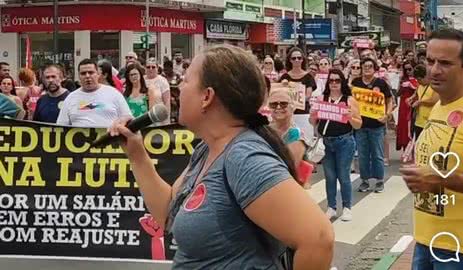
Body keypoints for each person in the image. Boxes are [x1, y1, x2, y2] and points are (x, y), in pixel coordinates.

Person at [107, 45, 334, 269]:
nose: (179, 89)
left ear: (207, 96)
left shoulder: (244, 157)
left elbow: (318, 240)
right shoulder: (207, 149)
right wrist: (136, 154)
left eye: (186, 80)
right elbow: (168, 213)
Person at [400, 28, 463, 270]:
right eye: (430, 60)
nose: (434, 70)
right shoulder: (439, 106)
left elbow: (440, 176)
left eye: (445, 63)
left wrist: (441, 179)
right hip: (427, 239)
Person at [310, 69, 362, 221]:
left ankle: (347, 207)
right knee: (330, 177)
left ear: (342, 82)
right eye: (331, 81)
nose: (334, 84)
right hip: (326, 142)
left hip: (344, 141)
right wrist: (313, 114)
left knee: (343, 175)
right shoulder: (322, 98)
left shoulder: (349, 100)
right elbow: (313, 122)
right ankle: (331, 207)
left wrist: (350, 117)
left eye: (337, 80)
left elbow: (359, 125)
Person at [352, 58, 394, 193]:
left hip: (377, 125)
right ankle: (364, 180)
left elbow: (389, 100)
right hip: (360, 125)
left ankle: (379, 180)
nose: (367, 68)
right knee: (362, 154)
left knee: (377, 154)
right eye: (365, 66)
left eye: (370, 66)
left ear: (374, 68)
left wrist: (387, 115)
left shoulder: (381, 83)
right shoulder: (356, 83)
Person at [57, 59, 132, 127]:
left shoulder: (114, 94)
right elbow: (60, 127)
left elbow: (128, 118)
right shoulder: (70, 98)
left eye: (91, 72)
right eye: (83, 73)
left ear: (98, 74)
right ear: (79, 76)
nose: (87, 76)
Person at [268, 88, 307, 172]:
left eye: (283, 104)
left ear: (292, 107)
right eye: (273, 104)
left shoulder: (295, 134)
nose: (278, 107)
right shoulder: (264, 131)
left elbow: (291, 168)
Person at [407, 64, 439, 139]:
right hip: (418, 120)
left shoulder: (435, 86)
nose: (418, 81)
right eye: (417, 80)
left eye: (420, 79)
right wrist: (411, 98)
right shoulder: (420, 85)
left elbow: (434, 100)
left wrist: (420, 102)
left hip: (430, 121)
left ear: (426, 76)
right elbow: (417, 93)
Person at [396, 61, 418, 151]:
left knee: (411, 125)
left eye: (410, 69)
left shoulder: (417, 79)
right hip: (403, 104)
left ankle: (412, 148)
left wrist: (412, 85)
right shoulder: (403, 79)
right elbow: (398, 93)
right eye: (406, 69)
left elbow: (420, 90)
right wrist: (400, 84)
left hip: (413, 103)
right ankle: (405, 148)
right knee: (403, 125)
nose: (408, 71)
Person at [145, 58, 171, 124]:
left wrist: (166, 119)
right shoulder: (142, 80)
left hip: (158, 116)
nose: (150, 69)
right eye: (148, 67)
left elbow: (167, 102)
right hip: (144, 115)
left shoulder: (162, 81)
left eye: (153, 67)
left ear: (157, 68)